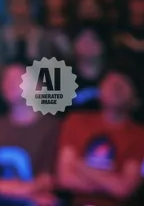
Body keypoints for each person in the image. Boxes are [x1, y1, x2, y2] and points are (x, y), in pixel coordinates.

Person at [0, 64, 60, 206]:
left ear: (38, 87)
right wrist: (22, 190)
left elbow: (47, 182)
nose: (9, 83)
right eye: (6, 78)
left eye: (18, 78)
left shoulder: (52, 127)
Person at [56, 70, 144, 206]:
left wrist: (82, 167)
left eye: (122, 84)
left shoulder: (139, 135)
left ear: (136, 99)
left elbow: (123, 189)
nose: (115, 87)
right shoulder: (76, 121)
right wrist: (110, 182)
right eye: (110, 82)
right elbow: (65, 178)